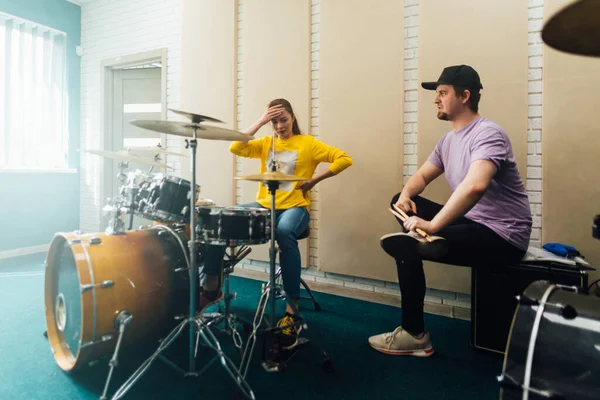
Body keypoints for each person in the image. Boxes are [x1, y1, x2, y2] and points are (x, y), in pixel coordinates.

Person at [368, 65, 532, 357]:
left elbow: (475, 187)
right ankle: (428, 242)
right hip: (471, 223)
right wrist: (406, 195)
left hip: (502, 234)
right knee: (398, 199)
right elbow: (420, 178)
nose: (436, 99)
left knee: (405, 247)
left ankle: (414, 334)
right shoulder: (448, 141)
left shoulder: (488, 133)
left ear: (465, 96)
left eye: (442, 93)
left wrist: (432, 226)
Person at [199, 98, 352, 348]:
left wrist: (314, 180)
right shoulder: (265, 143)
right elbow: (235, 148)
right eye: (274, 121)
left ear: (292, 118)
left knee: (283, 231)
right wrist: (260, 121)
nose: (280, 126)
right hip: (264, 205)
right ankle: (212, 286)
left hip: (295, 208)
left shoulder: (308, 144)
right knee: (221, 218)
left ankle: (292, 308)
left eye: (283, 119)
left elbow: (344, 158)